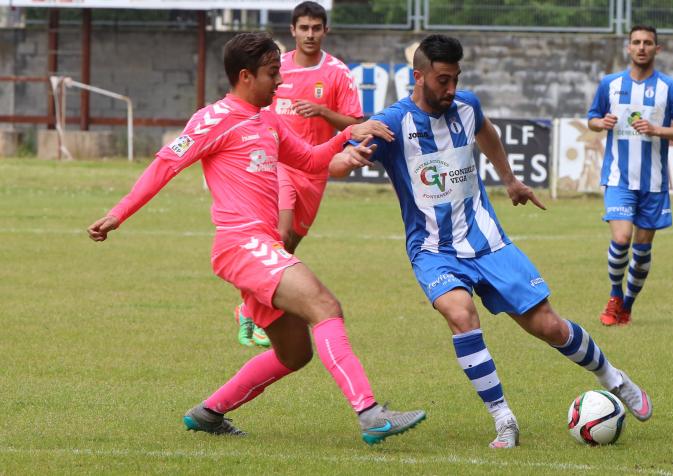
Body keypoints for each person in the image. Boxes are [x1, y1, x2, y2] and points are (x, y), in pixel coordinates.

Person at [87, 32, 424, 445]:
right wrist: (117, 213)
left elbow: (311, 161)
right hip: (240, 245)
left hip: (263, 247)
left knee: (295, 353)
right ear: (245, 76)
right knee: (325, 306)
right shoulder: (212, 119)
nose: (280, 82)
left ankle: (208, 414)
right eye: (272, 74)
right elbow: (164, 167)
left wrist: (347, 136)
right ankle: (371, 415)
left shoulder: (269, 119)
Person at [330, 34, 652, 449]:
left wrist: (510, 180)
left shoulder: (467, 105)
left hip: (488, 241)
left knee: (549, 326)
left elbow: (487, 133)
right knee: (461, 315)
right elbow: (337, 163)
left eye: (455, 79)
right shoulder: (393, 122)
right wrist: (346, 157)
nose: (450, 89)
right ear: (419, 76)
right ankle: (504, 419)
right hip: (432, 249)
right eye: (442, 80)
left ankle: (615, 380)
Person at [234, 1, 365, 348]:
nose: (310, 34)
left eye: (316, 28)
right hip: (277, 165)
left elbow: (356, 123)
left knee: (287, 245)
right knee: (280, 233)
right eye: (303, 28)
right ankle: (261, 316)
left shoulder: (338, 73)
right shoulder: (277, 68)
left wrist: (322, 112)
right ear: (292, 30)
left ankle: (248, 309)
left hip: (313, 169)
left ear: (325, 31)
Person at [587, 25, 673, 326]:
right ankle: (614, 297)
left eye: (648, 43)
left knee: (642, 248)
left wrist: (658, 129)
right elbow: (592, 119)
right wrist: (601, 123)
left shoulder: (670, 88)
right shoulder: (609, 84)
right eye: (636, 42)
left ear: (657, 49)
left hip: (654, 183)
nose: (642, 47)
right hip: (618, 177)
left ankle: (628, 306)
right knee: (622, 238)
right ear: (628, 47)